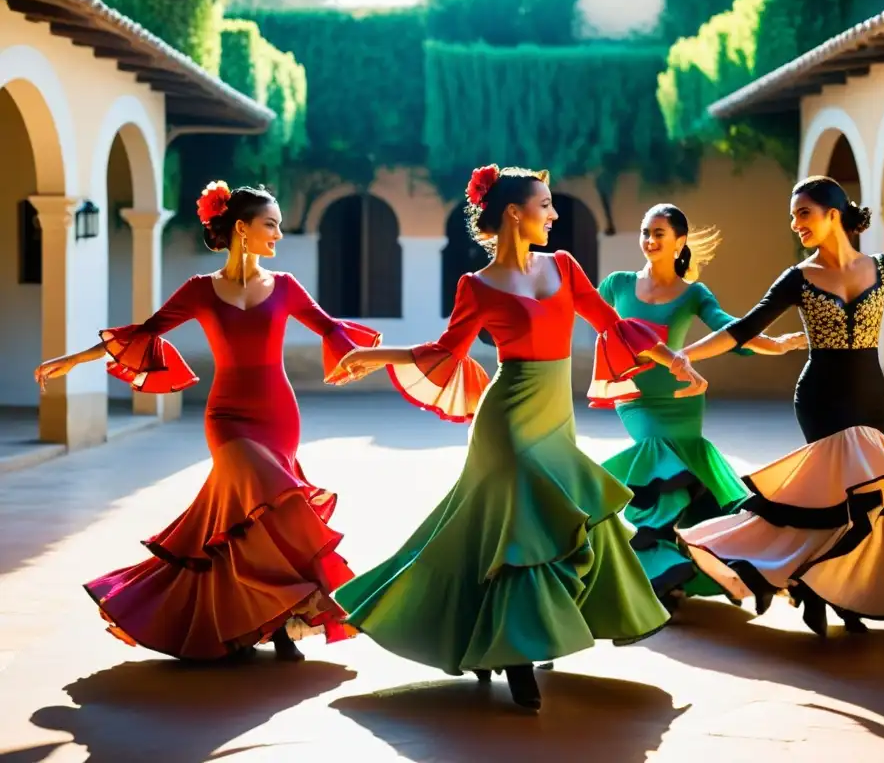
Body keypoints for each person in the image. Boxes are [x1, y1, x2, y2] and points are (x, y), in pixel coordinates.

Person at [329, 165, 690, 711]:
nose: (554, 213)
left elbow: (609, 324)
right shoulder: (476, 286)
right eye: (545, 204)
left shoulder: (564, 267)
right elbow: (444, 352)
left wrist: (673, 358)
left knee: (552, 521)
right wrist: (374, 355)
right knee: (519, 529)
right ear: (514, 213)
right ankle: (518, 659)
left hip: (555, 420)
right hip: (507, 422)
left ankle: (526, 636)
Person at [34, 181, 381, 661]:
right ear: (242, 228)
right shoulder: (199, 291)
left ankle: (273, 623)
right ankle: (269, 617)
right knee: (253, 496)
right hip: (227, 417)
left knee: (256, 519)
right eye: (271, 224)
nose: (279, 234)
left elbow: (332, 329)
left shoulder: (285, 287)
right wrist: (74, 360)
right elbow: (145, 333)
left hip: (277, 414)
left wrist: (398, 359)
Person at [669, 175, 884, 636]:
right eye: (793, 216)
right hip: (821, 399)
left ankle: (844, 594)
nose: (795, 224)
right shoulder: (798, 278)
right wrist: (685, 354)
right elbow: (745, 329)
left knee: (869, 505)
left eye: (803, 213)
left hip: (871, 399)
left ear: (833, 214)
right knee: (827, 503)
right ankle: (815, 588)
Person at [593, 203, 806, 611]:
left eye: (659, 233)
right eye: (645, 232)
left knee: (682, 477)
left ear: (680, 241)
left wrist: (774, 344)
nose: (649, 240)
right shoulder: (617, 284)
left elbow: (730, 327)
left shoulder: (693, 293)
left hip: (682, 399)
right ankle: (661, 568)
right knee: (656, 457)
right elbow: (580, 309)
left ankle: (691, 570)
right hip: (636, 400)